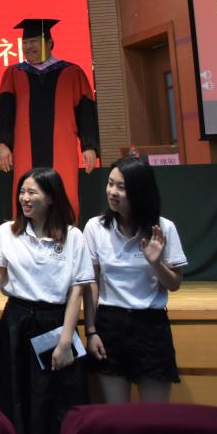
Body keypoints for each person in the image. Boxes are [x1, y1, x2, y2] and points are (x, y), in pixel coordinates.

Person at [0, 167, 93, 434]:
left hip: (56, 323)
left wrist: (66, 341)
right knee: (14, 400)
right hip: (16, 323)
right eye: (22, 192)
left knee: (56, 403)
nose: (24, 198)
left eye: (32, 192)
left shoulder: (73, 236)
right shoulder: (7, 231)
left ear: (51, 197)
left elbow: (76, 292)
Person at [83, 156, 187, 403]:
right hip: (109, 325)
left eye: (121, 187)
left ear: (140, 191)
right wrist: (91, 331)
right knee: (116, 416)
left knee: (154, 417)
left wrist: (156, 263)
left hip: (151, 326)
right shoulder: (95, 227)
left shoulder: (163, 228)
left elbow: (174, 284)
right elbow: (91, 284)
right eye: (110, 183)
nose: (112, 191)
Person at [0, 18, 100, 220]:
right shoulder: (14, 73)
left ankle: (65, 234)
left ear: (49, 43)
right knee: (26, 191)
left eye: (34, 41)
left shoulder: (72, 72)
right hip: (25, 149)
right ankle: (25, 234)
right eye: (25, 42)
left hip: (62, 147)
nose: (29, 47)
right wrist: (3, 144)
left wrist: (89, 146)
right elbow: (5, 111)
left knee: (64, 191)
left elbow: (86, 111)